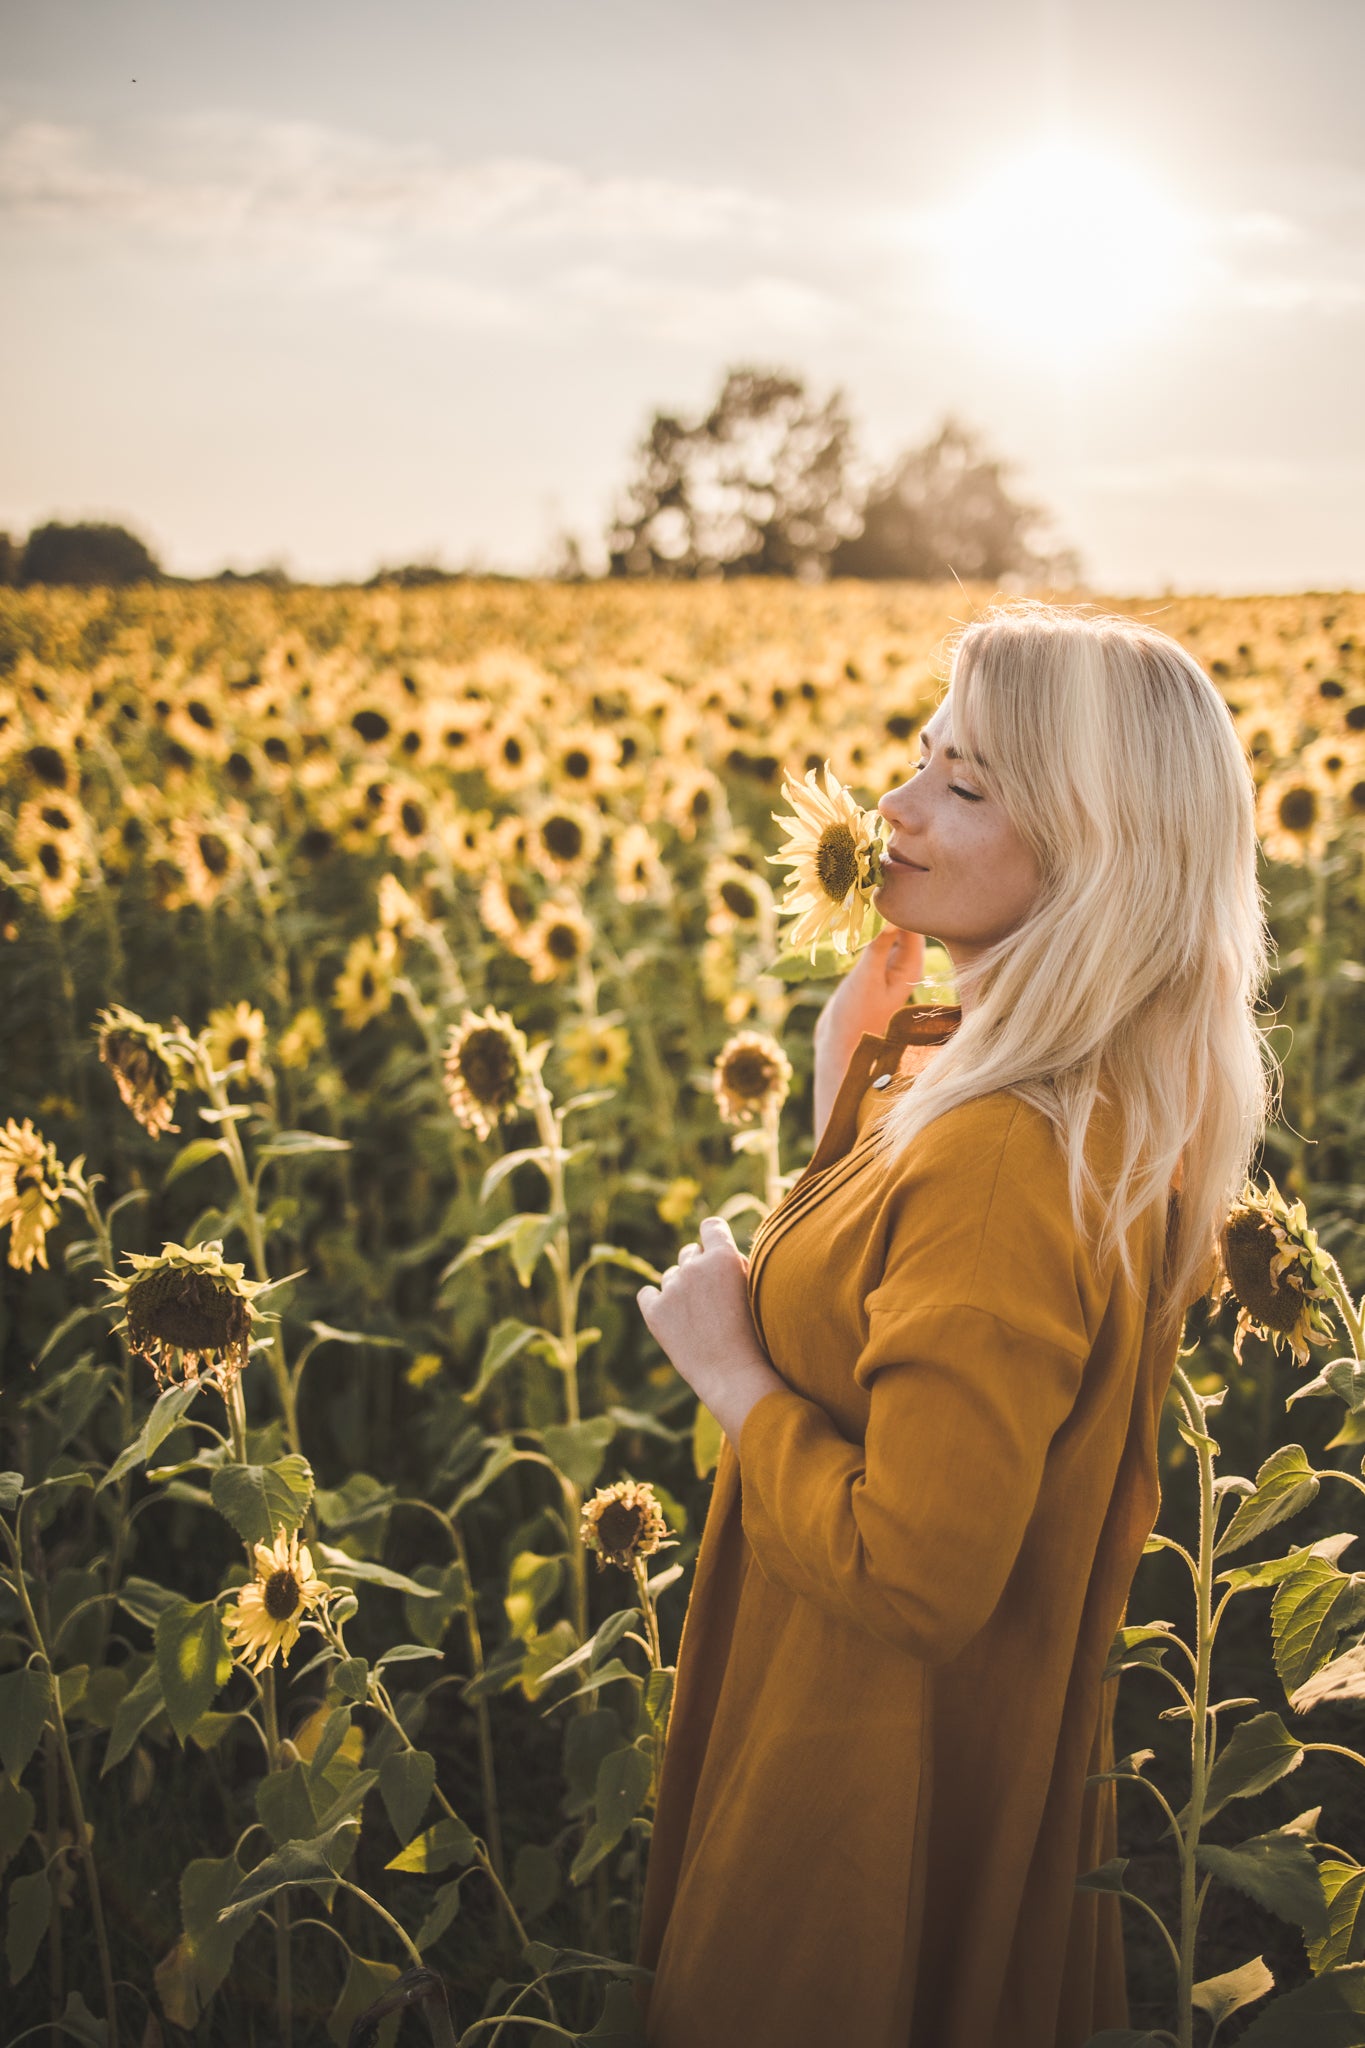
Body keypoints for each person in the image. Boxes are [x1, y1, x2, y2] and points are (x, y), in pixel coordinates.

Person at [632, 600, 1273, 2048]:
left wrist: (727, 1371)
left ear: (1096, 858)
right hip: (925, 1759)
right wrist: (840, 1092)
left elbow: (913, 1572)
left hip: (864, 1786)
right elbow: (894, 1337)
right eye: (921, 759)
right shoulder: (1063, 1103)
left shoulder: (1000, 1153)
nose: (895, 809)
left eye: (965, 786)